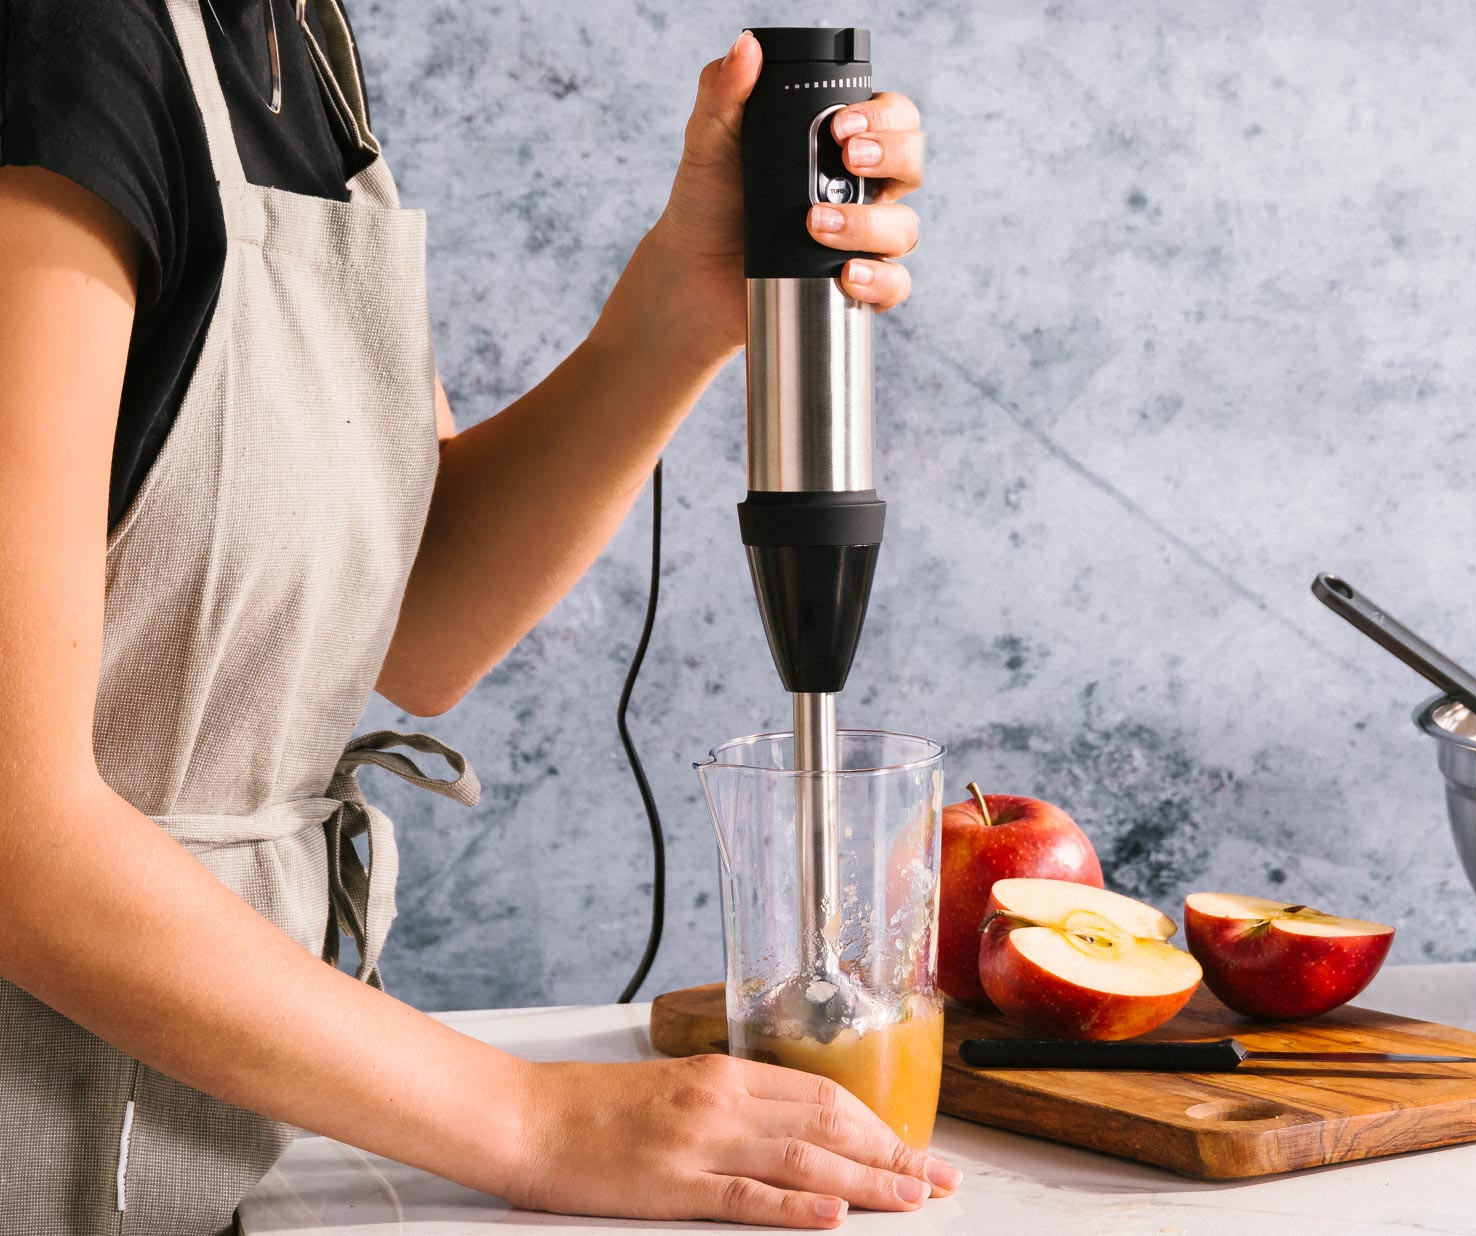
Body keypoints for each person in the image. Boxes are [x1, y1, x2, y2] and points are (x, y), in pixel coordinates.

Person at [0, 2, 946, 1230]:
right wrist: (527, 1119)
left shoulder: (292, 38)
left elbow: (417, 620)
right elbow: (15, 832)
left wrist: (684, 301)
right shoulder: (61, 41)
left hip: (184, 1168)